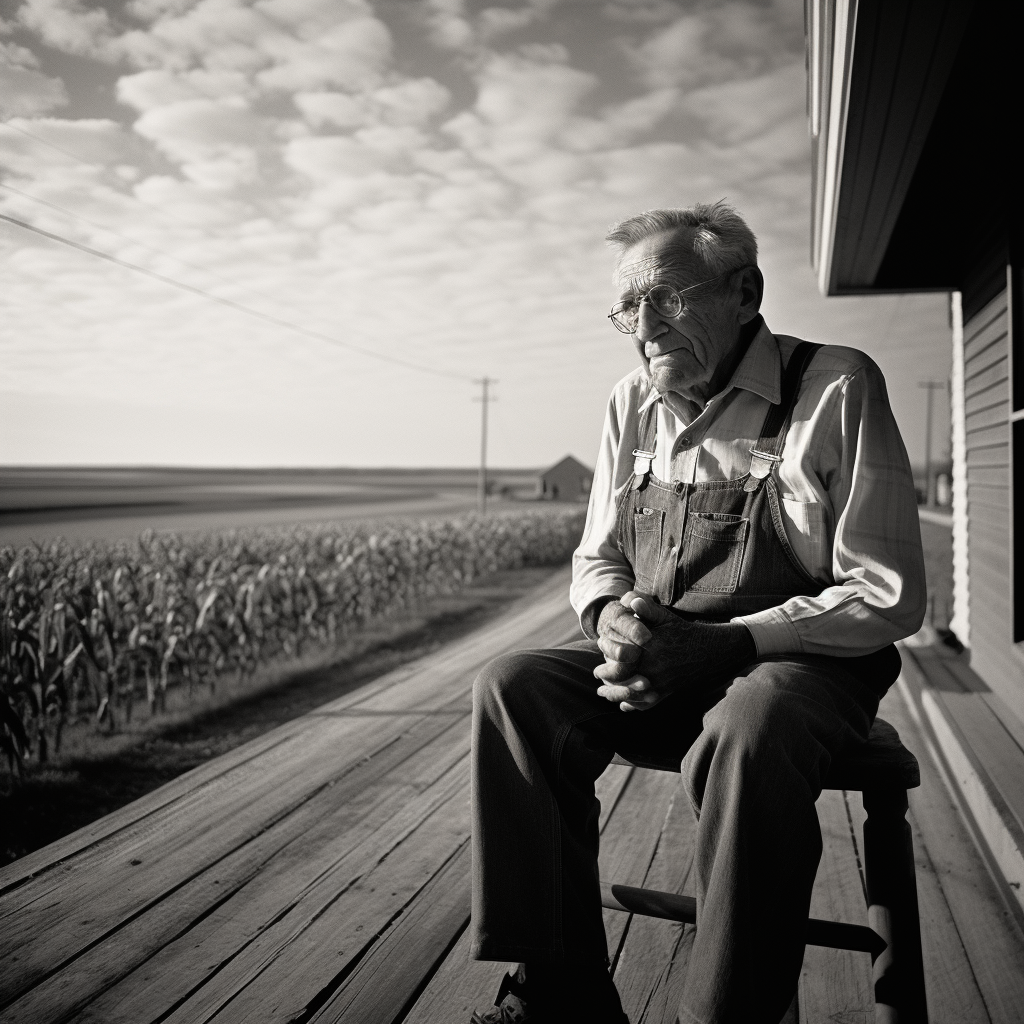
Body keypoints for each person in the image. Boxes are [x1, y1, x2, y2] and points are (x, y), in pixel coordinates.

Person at [469, 202, 926, 1024]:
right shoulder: (629, 404)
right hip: (670, 663)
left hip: (805, 673)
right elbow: (598, 557)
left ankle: (728, 1012)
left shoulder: (836, 386)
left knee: (753, 719)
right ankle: (560, 992)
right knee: (514, 686)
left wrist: (729, 645)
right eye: (626, 308)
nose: (642, 326)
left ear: (744, 291)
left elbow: (885, 590)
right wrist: (613, 620)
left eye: (667, 297)